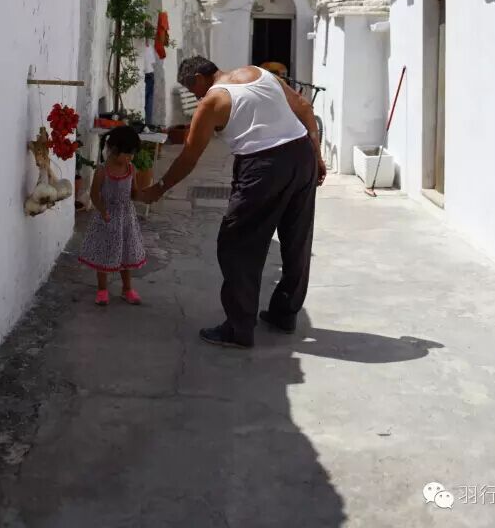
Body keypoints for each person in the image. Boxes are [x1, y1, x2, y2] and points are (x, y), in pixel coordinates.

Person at [138, 56, 326, 349]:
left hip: (262, 167)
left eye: (192, 88)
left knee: (237, 244)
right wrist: (316, 153)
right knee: (297, 238)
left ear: (200, 78)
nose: (195, 95)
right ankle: (284, 314)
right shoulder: (259, 73)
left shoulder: (212, 101)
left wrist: (159, 188)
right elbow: (303, 106)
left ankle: (238, 329)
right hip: (301, 154)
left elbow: (189, 156)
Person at [78, 126, 146, 306]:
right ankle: (102, 290)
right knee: (105, 253)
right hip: (106, 218)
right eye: (127, 154)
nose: (130, 158)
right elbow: (94, 195)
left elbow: (134, 192)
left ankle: (127, 289)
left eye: (132, 155)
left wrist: (145, 195)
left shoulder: (131, 169)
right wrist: (102, 210)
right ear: (114, 150)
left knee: (126, 253)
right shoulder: (102, 171)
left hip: (126, 218)